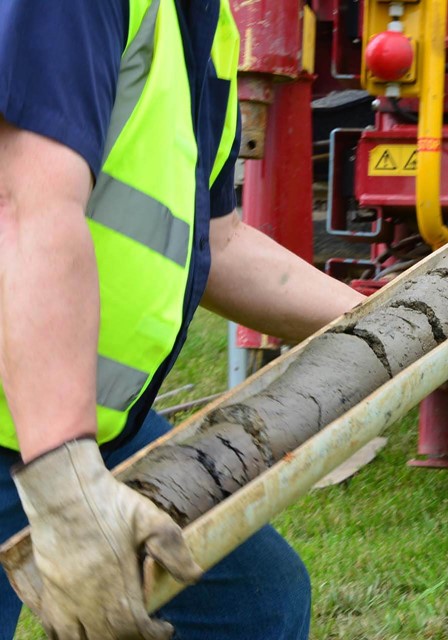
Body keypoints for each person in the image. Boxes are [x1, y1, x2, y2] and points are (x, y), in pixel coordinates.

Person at [0, 1, 365, 639]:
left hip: (68, 420)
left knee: (253, 605)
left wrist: (392, 321)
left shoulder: (202, 23)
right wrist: (68, 492)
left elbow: (217, 245)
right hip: (47, 434)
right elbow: (22, 210)